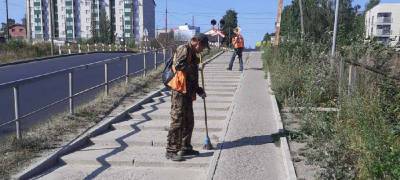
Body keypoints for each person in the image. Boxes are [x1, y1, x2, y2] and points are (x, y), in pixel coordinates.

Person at [166, 33, 209, 161]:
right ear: (198, 43)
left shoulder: (193, 54)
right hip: (179, 91)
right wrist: (195, 66)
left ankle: (185, 147)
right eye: (203, 47)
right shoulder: (183, 49)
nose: (202, 50)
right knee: (177, 120)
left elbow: (192, 77)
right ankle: (171, 150)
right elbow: (179, 65)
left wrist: (198, 90)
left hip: (188, 91)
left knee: (189, 121)